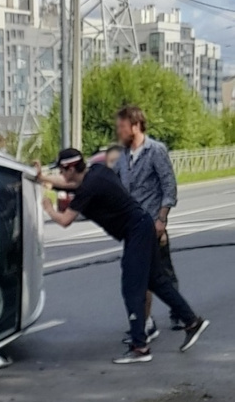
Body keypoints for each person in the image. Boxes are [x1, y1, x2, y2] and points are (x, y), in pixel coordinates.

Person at [37, 148, 208, 364]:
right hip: (141, 226)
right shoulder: (96, 172)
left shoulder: (88, 187)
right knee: (157, 281)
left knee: (132, 288)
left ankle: (140, 347)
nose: (61, 174)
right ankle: (192, 322)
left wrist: (49, 209)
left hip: (136, 232)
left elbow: (64, 220)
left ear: (70, 168)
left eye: (61, 169)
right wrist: (42, 178)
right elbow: (71, 184)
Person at [114, 105, 180, 339]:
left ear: (136, 126)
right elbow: (118, 187)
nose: (118, 132)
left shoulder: (155, 151)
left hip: (152, 223)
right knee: (149, 276)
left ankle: (168, 317)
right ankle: (152, 321)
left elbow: (169, 186)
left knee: (159, 274)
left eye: (122, 127)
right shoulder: (123, 156)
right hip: (134, 226)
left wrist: (161, 219)